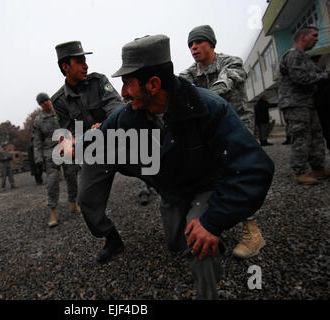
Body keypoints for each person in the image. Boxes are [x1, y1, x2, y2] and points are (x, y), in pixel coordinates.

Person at [62, 35, 274, 299]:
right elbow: (102, 133)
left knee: (199, 241)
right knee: (177, 243)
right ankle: (196, 226)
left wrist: (213, 220)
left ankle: (208, 281)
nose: (124, 93)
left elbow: (255, 169)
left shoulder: (209, 108)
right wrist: (75, 145)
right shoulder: (130, 114)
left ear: (152, 84)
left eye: (128, 83)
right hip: (172, 188)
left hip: (204, 186)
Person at [180, 25, 265, 260]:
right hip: (211, 133)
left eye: (198, 42)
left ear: (211, 44)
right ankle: (214, 223)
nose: (193, 47)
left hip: (238, 129)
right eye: (190, 44)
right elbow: (181, 91)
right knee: (213, 178)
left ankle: (253, 233)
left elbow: (228, 82)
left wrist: (206, 96)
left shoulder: (231, 62)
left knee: (243, 177)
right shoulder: (188, 74)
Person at [51, 40, 152, 205]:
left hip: (117, 142)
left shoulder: (98, 82)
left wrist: (104, 126)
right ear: (65, 67)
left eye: (85, 60)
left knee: (157, 172)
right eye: (80, 62)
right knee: (86, 201)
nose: (86, 66)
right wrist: (78, 139)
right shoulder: (59, 101)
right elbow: (69, 134)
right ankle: (108, 232)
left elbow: (116, 107)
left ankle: (150, 190)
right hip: (92, 154)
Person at [278, 26, 330, 185]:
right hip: (295, 103)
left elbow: (316, 74)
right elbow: (300, 77)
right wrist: (324, 76)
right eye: (314, 35)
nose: (316, 38)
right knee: (301, 136)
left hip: (308, 103)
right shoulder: (293, 55)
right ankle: (299, 172)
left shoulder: (304, 57)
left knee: (316, 136)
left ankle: (318, 168)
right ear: (303, 37)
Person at [34, 92, 80, 227]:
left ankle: (73, 203)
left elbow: (71, 126)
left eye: (47, 100)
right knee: (52, 181)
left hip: (65, 146)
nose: (46, 103)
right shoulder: (38, 121)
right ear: (40, 105)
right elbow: (37, 140)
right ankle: (53, 211)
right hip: (50, 152)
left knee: (71, 175)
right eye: (42, 102)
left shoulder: (60, 112)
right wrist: (38, 158)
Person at [311, 55, 330, 153]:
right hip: (321, 104)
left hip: (321, 105)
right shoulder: (320, 74)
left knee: (325, 128)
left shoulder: (320, 74)